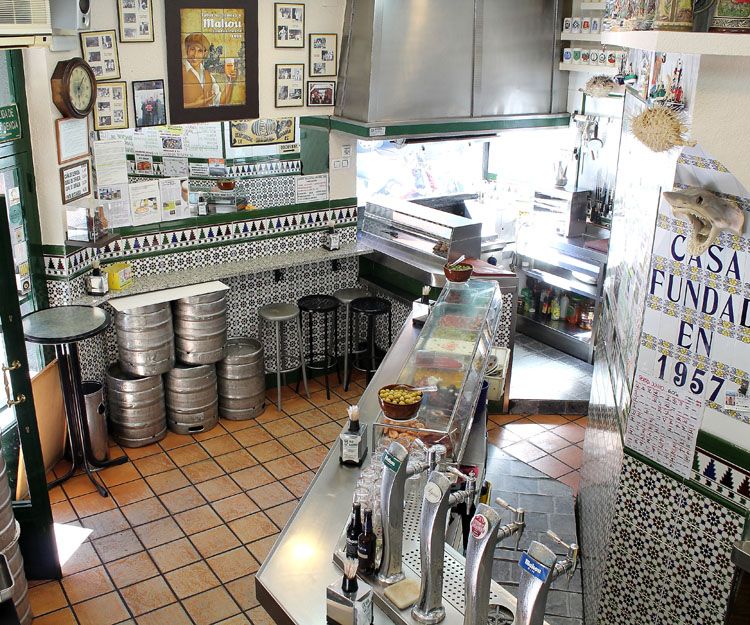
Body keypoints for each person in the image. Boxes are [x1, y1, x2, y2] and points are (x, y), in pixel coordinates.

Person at [182, 32, 236, 108]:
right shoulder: (179, 73)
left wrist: (230, 81)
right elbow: (174, 106)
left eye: (200, 51)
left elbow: (220, 102)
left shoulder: (208, 75)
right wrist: (196, 104)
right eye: (192, 49)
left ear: (204, 53)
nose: (195, 55)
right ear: (187, 50)